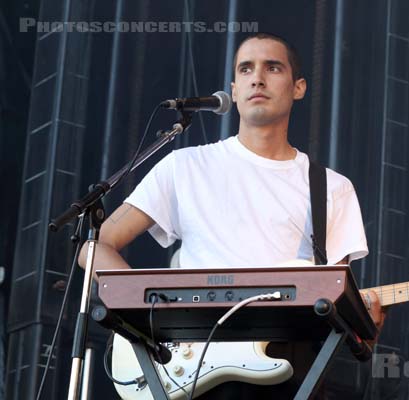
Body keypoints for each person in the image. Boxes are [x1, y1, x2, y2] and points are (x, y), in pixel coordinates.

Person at [79, 32, 385, 398]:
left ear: (298, 87)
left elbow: (337, 303)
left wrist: (366, 323)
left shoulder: (332, 188)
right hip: (187, 363)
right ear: (234, 89)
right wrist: (147, 314)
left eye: (272, 67)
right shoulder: (185, 165)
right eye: (246, 69)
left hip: (289, 372)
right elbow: (95, 247)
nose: (258, 77)